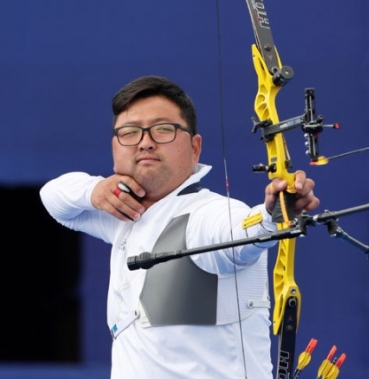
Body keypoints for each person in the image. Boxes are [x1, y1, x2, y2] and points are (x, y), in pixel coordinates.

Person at [40, 75, 320, 378]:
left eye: (163, 129)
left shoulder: (208, 213)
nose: (145, 142)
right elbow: (53, 198)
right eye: (130, 132)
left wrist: (271, 215)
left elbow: (239, 235)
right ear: (114, 147)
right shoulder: (125, 214)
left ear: (195, 147)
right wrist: (95, 191)